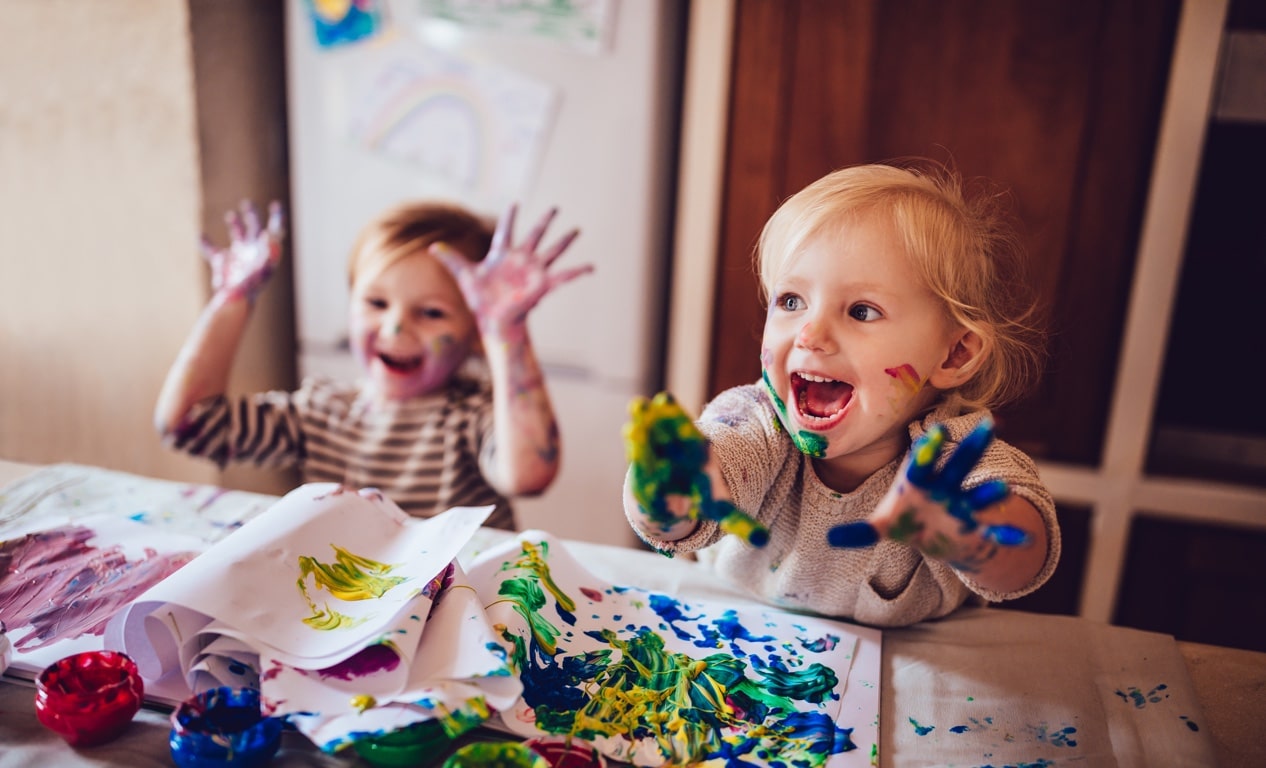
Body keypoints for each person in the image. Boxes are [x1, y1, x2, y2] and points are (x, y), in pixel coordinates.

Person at [623, 160, 1060, 627]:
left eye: (861, 311)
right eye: (791, 301)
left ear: (953, 355)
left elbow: (1023, 563)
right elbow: (687, 505)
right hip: (734, 633)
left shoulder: (950, 460)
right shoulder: (757, 421)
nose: (811, 335)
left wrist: (969, 535)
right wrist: (664, 494)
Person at [155, 199, 592, 530]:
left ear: (476, 333)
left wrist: (507, 332)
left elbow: (529, 475)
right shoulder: (320, 412)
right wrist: (232, 301)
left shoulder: (472, 419)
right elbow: (188, 425)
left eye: (432, 313)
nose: (396, 327)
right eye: (376, 302)